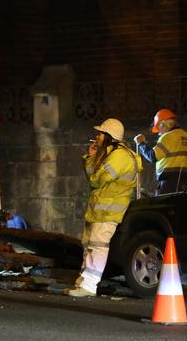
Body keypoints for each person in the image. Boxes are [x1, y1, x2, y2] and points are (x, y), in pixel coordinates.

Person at [64, 118, 142, 297]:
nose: (97, 136)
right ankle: (82, 283)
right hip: (99, 210)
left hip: (109, 211)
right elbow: (93, 179)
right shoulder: (110, 153)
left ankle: (89, 286)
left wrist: (94, 160)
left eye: (100, 133)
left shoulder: (120, 156)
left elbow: (98, 180)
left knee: (98, 247)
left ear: (109, 136)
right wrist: (91, 158)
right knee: (89, 246)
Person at [134, 108, 187, 194]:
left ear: (164, 124)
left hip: (169, 184)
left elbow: (153, 156)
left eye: (158, 127)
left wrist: (141, 143)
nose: (159, 132)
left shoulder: (168, 137)